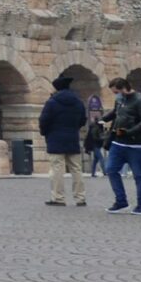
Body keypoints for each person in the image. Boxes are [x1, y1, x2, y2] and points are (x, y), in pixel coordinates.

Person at [103, 75, 141, 214]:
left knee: (139, 175)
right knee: (111, 170)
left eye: (116, 92)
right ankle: (121, 201)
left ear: (124, 88)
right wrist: (102, 119)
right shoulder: (120, 100)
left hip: (137, 145)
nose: (116, 95)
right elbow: (115, 113)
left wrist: (129, 132)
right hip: (118, 143)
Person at [38, 74, 88, 207]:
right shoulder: (78, 102)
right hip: (72, 137)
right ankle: (80, 198)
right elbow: (83, 120)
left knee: (57, 169)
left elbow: (44, 120)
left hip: (55, 138)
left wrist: (45, 132)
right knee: (76, 169)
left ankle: (58, 198)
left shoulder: (52, 102)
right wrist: (74, 128)